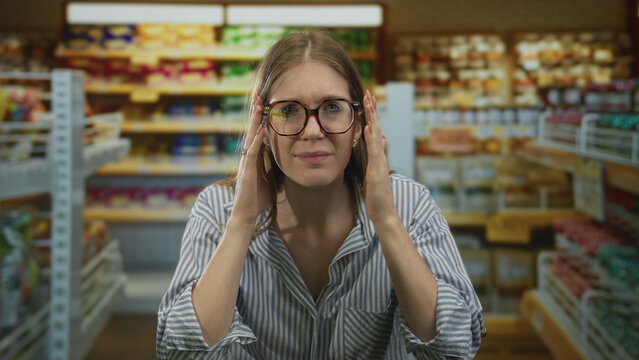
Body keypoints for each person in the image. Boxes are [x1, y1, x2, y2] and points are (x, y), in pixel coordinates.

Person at [157, 29, 485, 359]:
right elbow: (179, 353)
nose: (313, 131)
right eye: (288, 110)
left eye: (331, 107)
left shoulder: (410, 207)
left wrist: (387, 221)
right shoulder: (218, 211)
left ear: (358, 123)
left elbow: (455, 347)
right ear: (263, 129)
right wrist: (241, 222)